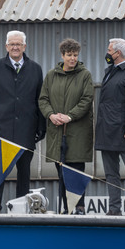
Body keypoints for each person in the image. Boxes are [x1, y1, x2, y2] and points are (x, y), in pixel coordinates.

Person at [0, 30, 46, 213]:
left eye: (18, 44)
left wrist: (41, 125)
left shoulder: (35, 69)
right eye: (12, 44)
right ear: (6, 46)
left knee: (24, 173)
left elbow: (40, 99)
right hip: (2, 130)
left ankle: (22, 210)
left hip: (27, 130)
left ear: (24, 46)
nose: (15, 47)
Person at [38, 38, 93, 215]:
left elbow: (87, 99)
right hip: (56, 132)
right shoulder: (51, 75)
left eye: (75, 55)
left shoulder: (85, 75)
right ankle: (66, 208)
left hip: (77, 133)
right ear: (62, 55)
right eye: (69, 55)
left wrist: (70, 116)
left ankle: (79, 207)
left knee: (76, 172)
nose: (72, 59)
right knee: (61, 172)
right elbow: (43, 99)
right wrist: (51, 115)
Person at [95, 38, 125, 216]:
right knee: (111, 174)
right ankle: (114, 209)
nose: (107, 53)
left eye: (109, 50)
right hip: (106, 131)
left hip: (123, 132)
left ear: (118, 53)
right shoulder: (110, 71)